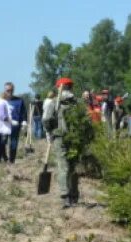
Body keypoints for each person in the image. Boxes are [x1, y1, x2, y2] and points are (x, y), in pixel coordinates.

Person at [43, 77, 79, 208]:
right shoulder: (57, 103)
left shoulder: (73, 104)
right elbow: (46, 119)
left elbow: (46, 120)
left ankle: (69, 195)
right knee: (70, 166)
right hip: (67, 137)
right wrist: (50, 131)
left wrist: (49, 131)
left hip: (66, 138)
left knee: (67, 166)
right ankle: (70, 195)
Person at [5, 82, 27, 163]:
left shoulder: (19, 100)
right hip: (4, 125)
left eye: (11, 90)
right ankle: (3, 158)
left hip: (15, 126)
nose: (9, 92)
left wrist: (24, 121)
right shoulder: (2, 101)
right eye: (7, 90)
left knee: (13, 143)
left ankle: (12, 160)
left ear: (13, 90)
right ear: (5, 90)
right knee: (2, 142)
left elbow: (23, 112)